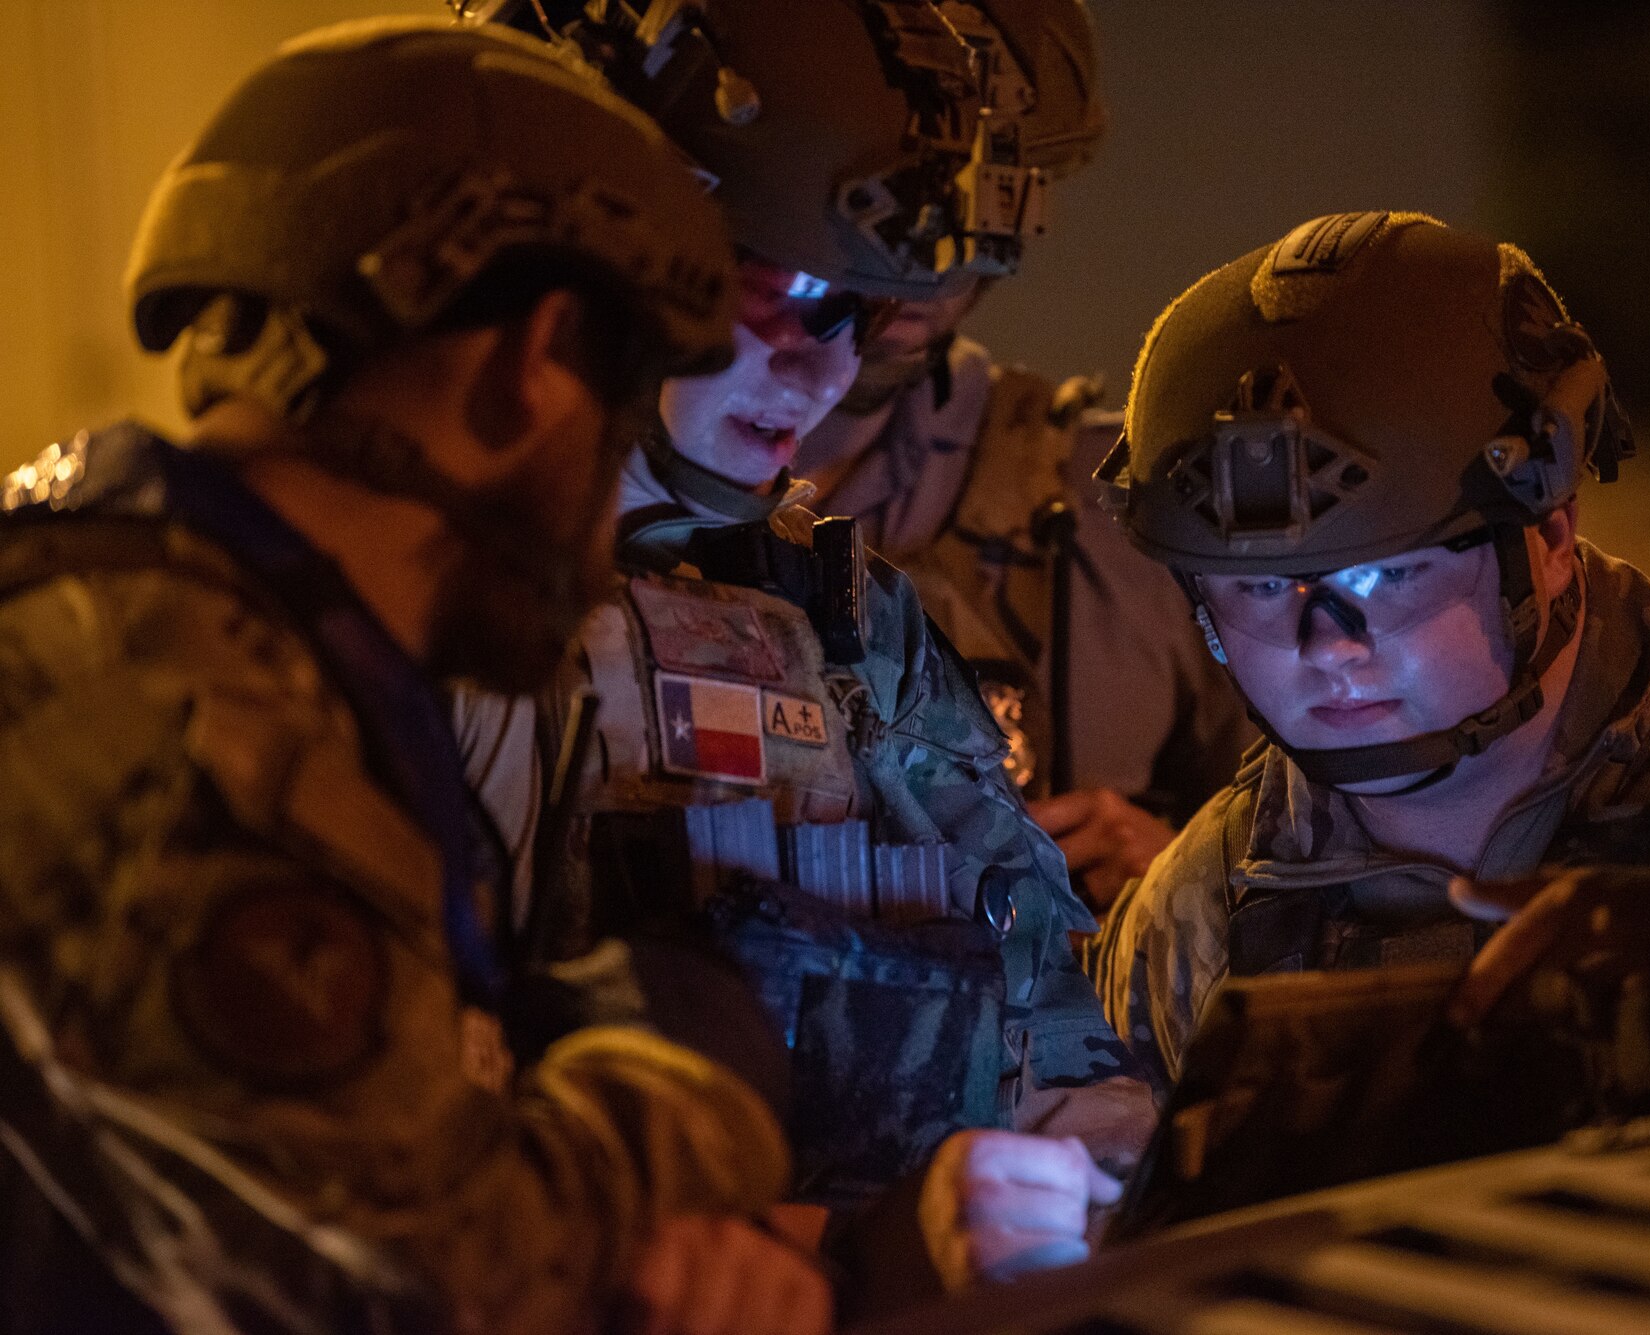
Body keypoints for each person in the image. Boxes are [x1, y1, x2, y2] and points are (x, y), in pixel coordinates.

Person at [0, 20, 833, 1335]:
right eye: (617, 433)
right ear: (532, 362)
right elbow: (438, 1274)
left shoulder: (189, 626)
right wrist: (687, 1075)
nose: (608, 527)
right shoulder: (179, 704)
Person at [458, 0, 1153, 1294]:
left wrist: (1082, 1169)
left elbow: (1043, 1008)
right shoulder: (381, 605)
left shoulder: (840, 612)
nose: (818, 373)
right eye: (779, 294)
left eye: (859, 316)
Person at [1086, 210, 1650, 1087]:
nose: (1327, 646)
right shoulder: (1204, 907)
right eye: (1256, 589)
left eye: (1384, 576)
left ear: (1551, 539)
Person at [794, 1, 1257, 910]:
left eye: (979, 203)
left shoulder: (1122, 518)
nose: (930, 252)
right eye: (887, 193)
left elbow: (1314, 864)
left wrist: (1186, 879)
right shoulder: (603, 471)